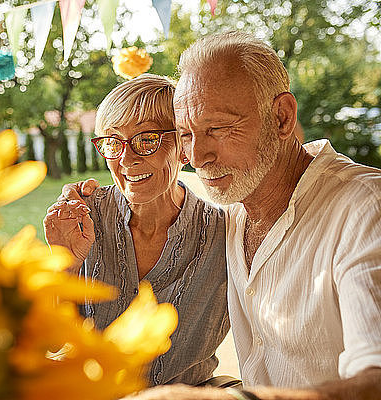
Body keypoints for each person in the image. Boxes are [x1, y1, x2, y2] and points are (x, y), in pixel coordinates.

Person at [66, 32, 381, 399]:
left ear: (281, 117)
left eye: (217, 128)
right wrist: (83, 211)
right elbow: (155, 185)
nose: (198, 157)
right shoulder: (231, 207)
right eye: (186, 134)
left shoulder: (364, 208)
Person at [43, 74, 230, 387]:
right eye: (113, 142)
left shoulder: (223, 233)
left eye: (146, 139)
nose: (127, 159)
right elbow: (50, 341)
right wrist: (64, 263)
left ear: (184, 146)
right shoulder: (84, 216)